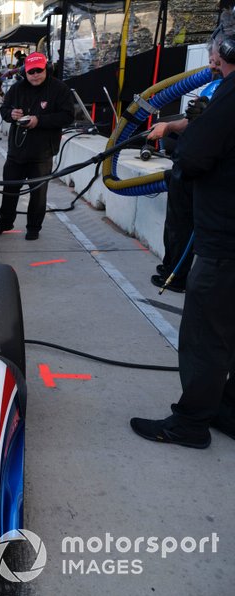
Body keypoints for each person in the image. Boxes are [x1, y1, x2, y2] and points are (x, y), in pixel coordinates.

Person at [130, 36, 235, 448]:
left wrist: (174, 140)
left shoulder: (229, 93)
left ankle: (190, 424)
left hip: (224, 240)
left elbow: (194, 157)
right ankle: (226, 409)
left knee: (206, 334)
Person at [145, 52, 221, 293]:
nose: (211, 64)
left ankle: (176, 277)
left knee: (184, 226)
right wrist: (168, 127)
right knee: (175, 224)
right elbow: (192, 121)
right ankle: (171, 267)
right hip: (186, 163)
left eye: (215, 58)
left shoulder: (227, 91)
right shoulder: (215, 85)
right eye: (209, 58)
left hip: (202, 169)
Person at [0, 52, 73, 240]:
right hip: (17, 150)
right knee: (9, 188)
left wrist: (40, 120)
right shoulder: (17, 88)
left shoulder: (59, 89)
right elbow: (3, 110)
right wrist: (11, 114)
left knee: (38, 193)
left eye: (39, 70)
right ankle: (5, 221)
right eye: (31, 72)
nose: (35, 75)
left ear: (47, 69)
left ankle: (34, 227)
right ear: (24, 72)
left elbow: (67, 116)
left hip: (42, 152)